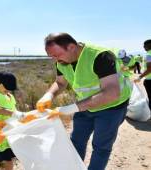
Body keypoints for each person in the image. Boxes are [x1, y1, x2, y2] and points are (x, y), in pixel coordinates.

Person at [36, 33, 131, 170]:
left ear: (72, 47)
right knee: (76, 142)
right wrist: (49, 95)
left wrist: (70, 109)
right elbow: (61, 82)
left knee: (101, 147)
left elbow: (111, 93)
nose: (55, 60)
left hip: (111, 108)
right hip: (85, 106)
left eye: (57, 55)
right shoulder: (62, 61)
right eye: (51, 57)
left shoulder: (100, 56)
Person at [134, 39, 151, 109]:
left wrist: (140, 77)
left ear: (148, 45)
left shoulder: (149, 55)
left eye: (144, 45)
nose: (143, 47)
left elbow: (149, 69)